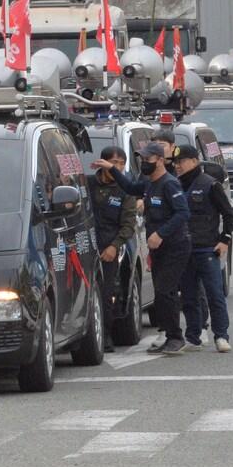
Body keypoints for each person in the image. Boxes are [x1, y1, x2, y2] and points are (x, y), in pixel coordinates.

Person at [92, 143, 192, 355]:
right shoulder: (148, 183)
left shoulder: (170, 184)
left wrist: (161, 233)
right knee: (161, 292)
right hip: (158, 248)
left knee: (167, 291)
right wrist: (111, 169)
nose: (144, 163)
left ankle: (176, 337)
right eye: (142, 160)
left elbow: (183, 212)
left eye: (148, 160)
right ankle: (169, 336)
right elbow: (129, 188)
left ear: (160, 160)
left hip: (175, 245)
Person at [171, 145, 233, 352]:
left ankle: (221, 336)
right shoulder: (175, 185)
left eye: (181, 162)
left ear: (194, 161)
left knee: (215, 294)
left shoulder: (209, 185)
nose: (178, 166)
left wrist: (224, 240)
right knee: (189, 296)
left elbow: (228, 214)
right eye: (176, 163)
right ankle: (194, 335)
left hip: (207, 249)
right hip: (183, 250)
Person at [89, 145, 139, 352]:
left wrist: (114, 246)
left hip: (109, 248)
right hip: (86, 244)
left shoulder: (125, 189)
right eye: (114, 162)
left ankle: (106, 335)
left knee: (107, 293)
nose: (117, 167)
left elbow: (129, 224)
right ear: (102, 163)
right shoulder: (87, 183)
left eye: (121, 164)